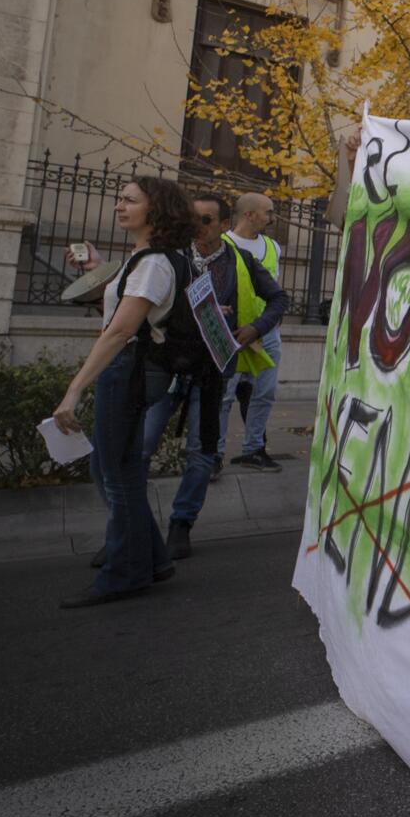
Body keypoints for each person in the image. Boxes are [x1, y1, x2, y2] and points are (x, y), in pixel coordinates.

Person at [52, 177, 197, 608]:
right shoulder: (147, 258)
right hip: (136, 369)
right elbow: (118, 310)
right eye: (119, 198)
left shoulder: (153, 262)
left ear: (157, 210)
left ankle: (124, 573)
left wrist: (73, 391)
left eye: (130, 200)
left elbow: (119, 329)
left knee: (113, 473)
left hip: (130, 369)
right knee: (120, 469)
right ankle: (151, 559)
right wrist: (96, 269)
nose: (119, 206)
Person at [138, 193, 289, 559]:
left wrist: (255, 327)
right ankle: (132, 526)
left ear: (224, 226)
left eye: (206, 220)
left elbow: (279, 300)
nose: (197, 226)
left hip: (213, 370)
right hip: (168, 369)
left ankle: (181, 525)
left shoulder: (242, 260)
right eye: (193, 219)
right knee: (140, 446)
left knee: (201, 453)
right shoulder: (170, 259)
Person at [223, 191, 286, 473]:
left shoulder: (273, 247)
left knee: (265, 392)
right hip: (233, 332)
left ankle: (254, 449)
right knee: (224, 395)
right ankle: (214, 452)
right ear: (249, 214)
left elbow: (275, 290)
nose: (273, 217)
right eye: (269, 212)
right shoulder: (222, 244)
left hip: (266, 332)